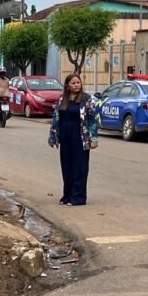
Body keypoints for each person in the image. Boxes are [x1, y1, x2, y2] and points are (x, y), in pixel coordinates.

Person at [47, 73, 98, 206]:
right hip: (65, 136)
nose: (76, 85)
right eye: (73, 83)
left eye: (78, 83)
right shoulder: (62, 99)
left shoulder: (87, 99)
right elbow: (56, 118)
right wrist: (52, 136)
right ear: (67, 86)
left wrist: (94, 138)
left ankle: (78, 197)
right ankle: (67, 195)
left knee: (79, 167)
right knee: (67, 166)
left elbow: (92, 119)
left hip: (80, 136)